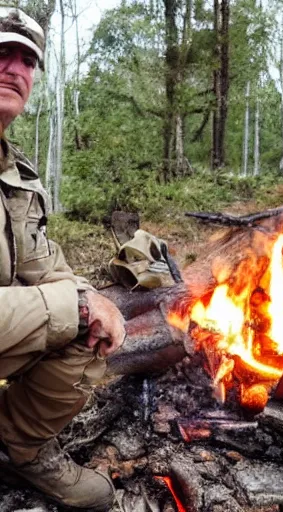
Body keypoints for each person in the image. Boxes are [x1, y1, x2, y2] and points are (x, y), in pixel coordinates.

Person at [0, 6, 125, 511]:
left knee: (91, 322)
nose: (14, 68)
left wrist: (91, 297)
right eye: (1, 52)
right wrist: (70, 304)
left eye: (26, 60)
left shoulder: (17, 176)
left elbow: (43, 262)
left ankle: (19, 444)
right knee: (70, 311)